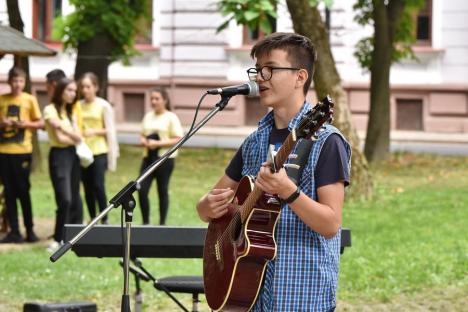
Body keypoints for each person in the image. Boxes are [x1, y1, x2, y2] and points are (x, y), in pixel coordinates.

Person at [196, 32, 351, 311]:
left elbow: (330, 224)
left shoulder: (326, 141)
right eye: (258, 70)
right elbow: (210, 206)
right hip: (248, 295)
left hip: (300, 295)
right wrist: (206, 206)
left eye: (270, 69)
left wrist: (287, 192)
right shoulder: (254, 142)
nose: (260, 78)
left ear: (300, 77)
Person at [0, 67, 43, 243]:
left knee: (23, 192)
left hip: (22, 152)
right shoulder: (2, 99)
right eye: (14, 80)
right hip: (3, 152)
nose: (17, 84)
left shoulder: (30, 100)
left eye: (20, 81)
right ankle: (14, 231)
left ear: (24, 82)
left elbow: (40, 123)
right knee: (9, 192)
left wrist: (25, 124)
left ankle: (30, 230)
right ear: (9, 81)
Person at [43, 78, 83, 251]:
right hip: (59, 156)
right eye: (69, 90)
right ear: (60, 91)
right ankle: (57, 238)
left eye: (74, 91)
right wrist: (72, 135)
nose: (73, 94)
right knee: (64, 198)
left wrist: (65, 129)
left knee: (74, 197)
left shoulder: (70, 111)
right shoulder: (49, 109)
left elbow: (79, 137)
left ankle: (72, 237)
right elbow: (59, 138)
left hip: (73, 155)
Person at [138, 87, 183, 225]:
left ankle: (162, 223)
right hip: (148, 158)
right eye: (152, 98)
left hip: (164, 159)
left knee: (162, 190)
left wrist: (158, 143)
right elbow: (141, 134)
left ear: (165, 100)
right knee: (141, 189)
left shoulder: (171, 117)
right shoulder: (148, 116)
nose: (153, 101)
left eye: (157, 98)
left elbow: (178, 139)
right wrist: (144, 141)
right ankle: (145, 223)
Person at [78, 72, 119, 224]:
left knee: (98, 184)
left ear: (96, 87)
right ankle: (92, 216)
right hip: (84, 152)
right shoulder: (78, 106)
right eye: (82, 87)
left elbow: (110, 129)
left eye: (88, 86)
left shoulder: (103, 105)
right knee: (87, 186)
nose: (85, 90)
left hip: (99, 150)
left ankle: (104, 217)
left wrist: (94, 131)